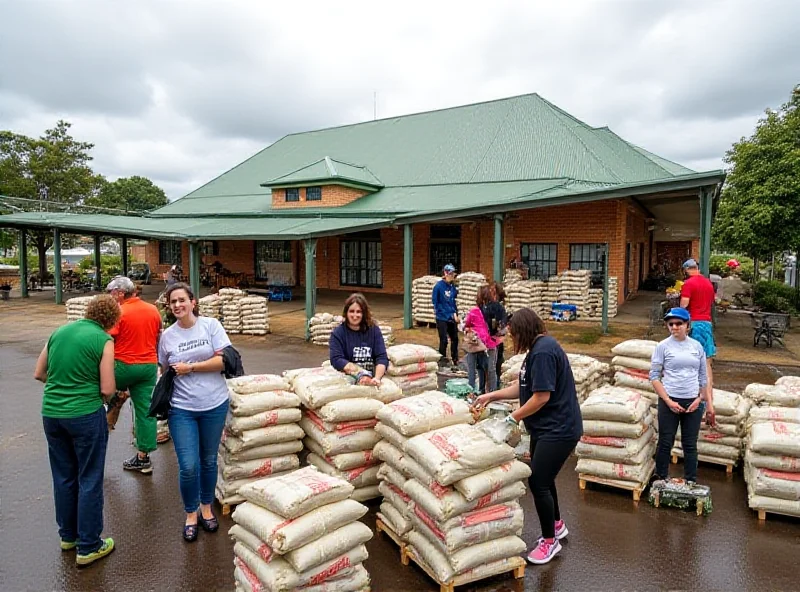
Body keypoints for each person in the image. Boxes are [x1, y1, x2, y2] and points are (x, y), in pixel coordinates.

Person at [476, 308, 582, 565]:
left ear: (524, 330)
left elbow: (541, 397)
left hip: (558, 429)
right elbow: (524, 387)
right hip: (546, 428)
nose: (512, 340)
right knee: (545, 478)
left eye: (513, 334)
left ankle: (549, 542)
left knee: (538, 482)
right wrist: (492, 395)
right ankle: (556, 525)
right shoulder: (538, 349)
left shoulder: (544, 352)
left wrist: (514, 418)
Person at [34, 294, 120, 567]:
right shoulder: (104, 341)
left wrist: (62, 387)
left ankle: (68, 536)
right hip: (84, 414)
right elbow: (107, 389)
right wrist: (93, 396)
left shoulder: (59, 332)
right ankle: (89, 545)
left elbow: (39, 373)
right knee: (90, 477)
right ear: (112, 320)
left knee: (64, 476)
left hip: (52, 414)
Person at [158, 282, 232, 542]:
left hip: (214, 403)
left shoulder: (211, 326)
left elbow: (223, 360)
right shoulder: (167, 336)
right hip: (182, 408)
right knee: (188, 465)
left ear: (193, 302)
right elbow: (164, 368)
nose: (177, 305)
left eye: (182, 300)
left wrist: (191, 368)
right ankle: (191, 513)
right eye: (173, 301)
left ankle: (206, 507)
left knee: (209, 460)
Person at [106, 276, 163, 474]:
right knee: (146, 411)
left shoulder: (119, 311)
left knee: (96, 395)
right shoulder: (153, 310)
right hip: (148, 366)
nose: (109, 296)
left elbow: (108, 339)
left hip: (123, 365)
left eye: (110, 292)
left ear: (120, 293)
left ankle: (114, 403)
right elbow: (157, 335)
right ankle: (143, 458)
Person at [650, 307, 714, 483]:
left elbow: (703, 377)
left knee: (690, 444)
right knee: (665, 441)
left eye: (679, 323)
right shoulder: (662, 347)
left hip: (693, 401)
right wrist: (668, 401)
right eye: (671, 324)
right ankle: (661, 476)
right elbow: (654, 377)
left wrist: (701, 400)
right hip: (669, 400)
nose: (675, 327)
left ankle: (690, 480)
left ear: (688, 325)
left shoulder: (696, 347)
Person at [329, 293, 389, 385]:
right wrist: (361, 374)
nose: (355, 315)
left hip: (372, 375)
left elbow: (381, 357)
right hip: (348, 376)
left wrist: (377, 379)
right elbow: (337, 359)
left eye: (359, 312)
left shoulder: (374, 330)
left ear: (364, 313)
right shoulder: (338, 333)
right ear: (346, 312)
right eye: (351, 311)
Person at [680, 258, 716, 393]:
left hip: (695, 323)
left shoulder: (688, 283)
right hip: (706, 323)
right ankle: (708, 392)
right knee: (707, 361)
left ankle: (694, 391)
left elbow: (684, 303)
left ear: (687, 270)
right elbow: (712, 301)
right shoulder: (708, 283)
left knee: (692, 359)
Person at [463, 286, 501, 394]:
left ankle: (491, 392)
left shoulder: (495, 311)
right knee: (477, 368)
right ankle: (476, 391)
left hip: (489, 344)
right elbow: (466, 326)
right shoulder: (474, 311)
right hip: (476, 344)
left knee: (488, 368)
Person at [432, 263, 459, 370]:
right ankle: (442, 359)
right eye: (450, 274)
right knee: (443, 340)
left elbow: (452, 302)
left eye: (453, 274)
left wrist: (455, 314)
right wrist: (447, 313)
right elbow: (436, 303)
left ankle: (455, 358)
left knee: (455, 339)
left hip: (452, 317)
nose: (452, 276)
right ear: (445, 273)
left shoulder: (452, 287)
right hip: (442, 317)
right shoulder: (438, 287)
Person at [484, 282, 508, 382]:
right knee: (497, 359)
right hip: (496, 338)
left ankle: (492, 382)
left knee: (491, 361)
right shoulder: (500, 307)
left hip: (491, 338)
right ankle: (496, 380)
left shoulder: (492, 307)